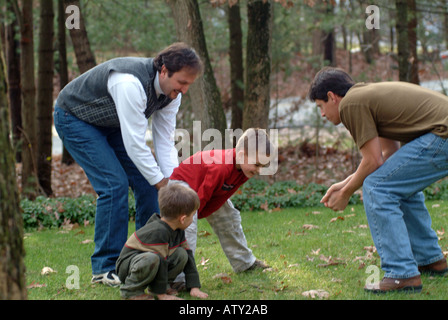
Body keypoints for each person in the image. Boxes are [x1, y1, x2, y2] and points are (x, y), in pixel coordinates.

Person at [53, 42, 202, 286]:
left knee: (147, 184)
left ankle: (145, 257)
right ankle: (105, 268)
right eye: (182, 83)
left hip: (111, 125)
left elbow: (164, 143)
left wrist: (172, 183)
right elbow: (135, 144)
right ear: (164, 70)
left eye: (188, 84)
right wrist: (163, 184)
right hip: (75, 119)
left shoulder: (172, 96)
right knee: (114, 185)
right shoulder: (130, 83)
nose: (184, 90)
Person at [308, 67, 448, 293]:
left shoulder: (351, 104)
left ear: (332, 97)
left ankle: (401, 274)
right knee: (393, 185)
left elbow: (374, 162)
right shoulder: (365, 97)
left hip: (442, 136)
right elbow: (386, 157)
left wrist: (346, 194)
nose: (322, 114)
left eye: (320, 106)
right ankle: (430, 258)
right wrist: (345, 183)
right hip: (442, 136)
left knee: (378, 187)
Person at [168, 128, 276, 289]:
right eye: (257, 164)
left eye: (262, 166)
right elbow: (200, 199)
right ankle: (178, 278)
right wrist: (192, 217)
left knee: (229, 218)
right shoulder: (220, 167)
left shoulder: (244, 169)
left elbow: (221, 195)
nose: (259, 170)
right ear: (241, 154)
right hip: (181, 187)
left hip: (204, 191)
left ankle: (244, 263)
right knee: (188, 228)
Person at [116, 183, 208, 300]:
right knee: (153, 258)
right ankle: (131, 291)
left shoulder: (177, 229)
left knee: (182, 254)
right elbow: (161, 261)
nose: (193, 218)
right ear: (183, 219)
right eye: (193, 215)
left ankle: (162, 286)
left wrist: (194, 286)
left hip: (149, 262)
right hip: (129, 267)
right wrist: (161, 296)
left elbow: (188, 256)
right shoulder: (158, 231)